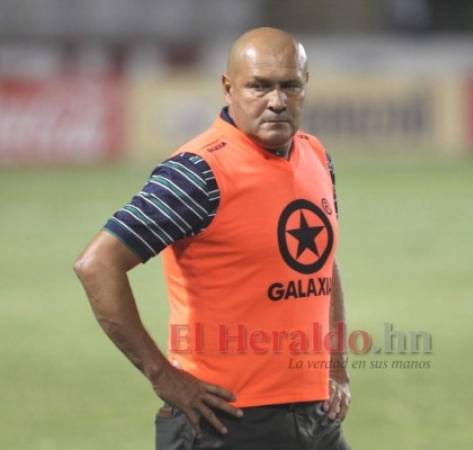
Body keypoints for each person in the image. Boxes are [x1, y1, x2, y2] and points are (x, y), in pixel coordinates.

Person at [74, 27, 352, 450]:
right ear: (228, 87)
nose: (276, 101)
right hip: (223, 421)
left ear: (305, 86)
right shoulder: (197, 173)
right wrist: (164, 377)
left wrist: (337, 369)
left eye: (289, 86)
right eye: (259, 86)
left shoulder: (315, 155)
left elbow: (323, 265)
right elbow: (97, 264)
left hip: (314, 420)